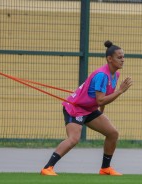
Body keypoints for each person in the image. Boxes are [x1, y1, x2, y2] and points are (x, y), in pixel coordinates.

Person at [40, 41, 133, 176]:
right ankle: (47, 168)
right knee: (74, 139)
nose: (123, 60)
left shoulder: (115, 74)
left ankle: (105, 168)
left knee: (112, 133)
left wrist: (101, 112)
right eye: (119, 57)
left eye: (123, 57)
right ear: (109, 59)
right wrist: (120, 91)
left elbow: (104, 95)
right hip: (75, 107)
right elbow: (100, 99)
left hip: (89, 109)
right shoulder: (102, 75)